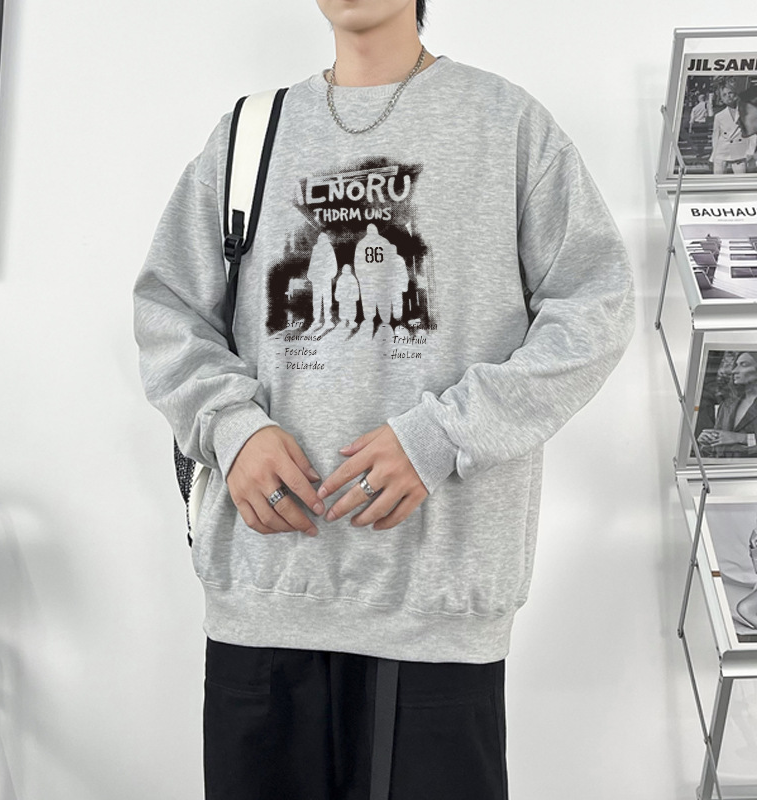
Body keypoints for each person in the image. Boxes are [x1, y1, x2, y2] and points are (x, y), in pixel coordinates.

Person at [133, 1, 635, 798]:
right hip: (267, 592)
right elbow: (170, 312)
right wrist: (232, 426)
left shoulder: (507, 124)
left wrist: (445, 434)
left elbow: (596, 309)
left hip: (438, 603)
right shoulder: (248, 136)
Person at [698, 351, 757, 457]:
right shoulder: (727, 405)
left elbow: (732, 439)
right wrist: (708, 442)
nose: (734, 371)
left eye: (744, 365)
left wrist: (741, 438)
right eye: (736, 365)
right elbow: (716, 452)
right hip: (725, 467)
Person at [710, 80, 756, 174]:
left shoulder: (747, 111)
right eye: (724, 95)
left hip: (740, 152)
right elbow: (715, 137)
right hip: (721, 152)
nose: (728, 96)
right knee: (718, 179)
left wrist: (750, 151)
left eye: (730, 93)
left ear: (735, 93)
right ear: (721, 99)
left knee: (740, 179)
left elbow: (753, 134)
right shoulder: (719, 116)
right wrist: (714, 155)